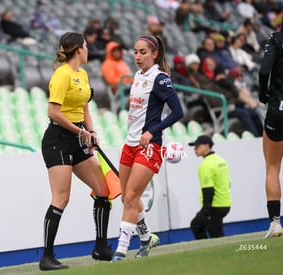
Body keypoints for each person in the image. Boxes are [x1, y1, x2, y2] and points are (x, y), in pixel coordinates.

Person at [39, 32, 113, 271]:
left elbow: (85, 110)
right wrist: (80, 132)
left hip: (78, 137)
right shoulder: (61, 75)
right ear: (78, 49)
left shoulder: (82, 74)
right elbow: (53, 112)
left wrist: (91, 133)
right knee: (62, 198)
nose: (89, 50)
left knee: (103, 191)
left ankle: (101, 248)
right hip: (57, 140)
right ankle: (47, 257)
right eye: (86, 46)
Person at [111, 35, 184, 261]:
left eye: (143, 52)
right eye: (135, 52)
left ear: (155, 54)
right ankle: (145, 237)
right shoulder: (137, 76)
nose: (137, 56)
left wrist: (153, 131)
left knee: (132, 195)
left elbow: (178, 112)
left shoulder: (160, 79)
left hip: (149, 146)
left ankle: (121, 250)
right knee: (126, 198)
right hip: (130, 144)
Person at [258, 0, 283, 239]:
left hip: (279, 107)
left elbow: (264, 71)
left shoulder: (276, 38)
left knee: (273, 167)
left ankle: (275, 223)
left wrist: (264, 92)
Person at [188, 135, 232, 239]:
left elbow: (208, 190)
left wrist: (206, 211)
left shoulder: (205, 165)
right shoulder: (221, 161)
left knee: (214, 235)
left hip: (214, 206)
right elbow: (228, 183)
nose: (195, 149)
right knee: (197, 225)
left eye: (198, 146)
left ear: (207, 146)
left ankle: (209, 251)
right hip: (225, 203)